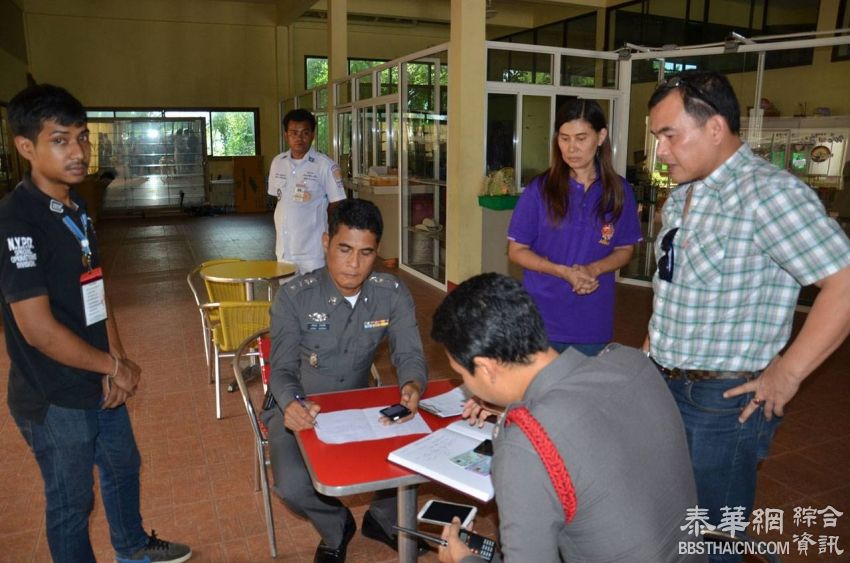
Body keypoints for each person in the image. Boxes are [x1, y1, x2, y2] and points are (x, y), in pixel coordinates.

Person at [646, 70, 850, 556]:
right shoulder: (682, 197)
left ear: (715, 128)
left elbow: (843, 283)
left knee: (713, 534)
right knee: (676, 517)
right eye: (658, 139)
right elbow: (679, 283)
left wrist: (788, 373)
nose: (662, 151)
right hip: (665, 383)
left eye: (670, 135)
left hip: (722, 399)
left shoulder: (768, 194)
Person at [0, 84, 191, 563]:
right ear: (26, 147)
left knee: (124, 466)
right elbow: (38, 330)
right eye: (60, 140)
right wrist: (111, 365)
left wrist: (117, 360)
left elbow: (95, 291)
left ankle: (131, 547)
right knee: (71, 504)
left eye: (83, 137)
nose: (79, 151)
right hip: (54, 394)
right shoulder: (16, 221)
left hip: (97, 378)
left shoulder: (78, 208)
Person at [430, 273, 700, 563]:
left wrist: (463, 560)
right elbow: (594, 420)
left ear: (485, 367)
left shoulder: (523, 447)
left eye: (461, 374)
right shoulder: (631, 361)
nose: (466, 385)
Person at [263, 198, 429, 562]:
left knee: (414, 450)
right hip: (299, 404)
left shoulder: (392, 293)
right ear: (326, 242)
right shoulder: (294, 297)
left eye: (366, 252)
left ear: (377, 252)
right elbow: (283, 367)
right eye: (344, 249)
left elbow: (409, 353)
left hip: (359, 402)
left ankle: (383, 519)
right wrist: (291, 403)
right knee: (291, 486)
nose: (354, 264)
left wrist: (413, 384)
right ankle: (336, 525)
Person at [507, 99, 642, 356]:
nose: (571, 148)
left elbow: (625, 248)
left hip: (591, 319)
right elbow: (516, 250)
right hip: (541, 317)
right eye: (564, 138)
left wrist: (594, 269)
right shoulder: (540, 189)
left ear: (600, 137)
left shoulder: (619, 190)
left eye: (581, 138)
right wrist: (561, 271)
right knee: (539, 394)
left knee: (582, 393)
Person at [268, 109, 346, 275]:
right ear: (286, 135)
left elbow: (337, 202)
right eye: (294, 133)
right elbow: (279, 199)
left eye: (305, 133)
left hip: (312, 253)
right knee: (289, 296)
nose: (299, 138)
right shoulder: (278, 162)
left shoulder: (325, 165)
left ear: (312, 135)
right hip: (284, 251)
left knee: (314, 297)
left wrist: (319, 219)